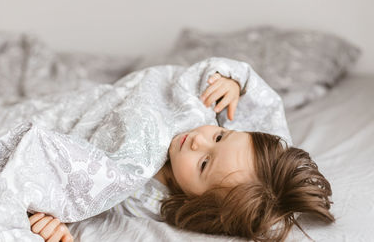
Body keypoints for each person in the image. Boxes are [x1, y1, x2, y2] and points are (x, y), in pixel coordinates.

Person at [28, 71, 334, 242]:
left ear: (199, 204)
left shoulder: (151, 203)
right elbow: (200, 81)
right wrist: (232, 84)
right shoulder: (194, 115)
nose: (197, 140)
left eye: (204, 163)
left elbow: (85, 197)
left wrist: (56, 219)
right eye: (219, 136)